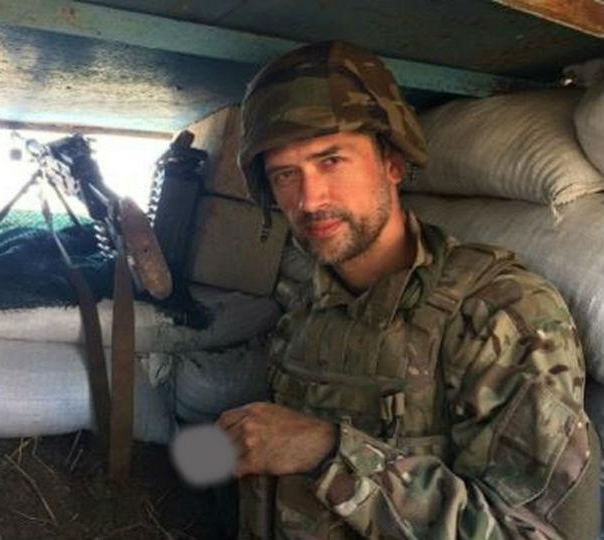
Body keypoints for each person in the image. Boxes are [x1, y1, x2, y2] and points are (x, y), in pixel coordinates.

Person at [215, 40, 601, 539]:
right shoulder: (304, 315)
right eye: (286, 175)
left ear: (393, 163)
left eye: (332, 160)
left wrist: (329, 454)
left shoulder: (497, 315)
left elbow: (535, 534)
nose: (310, 200)